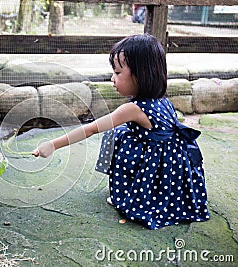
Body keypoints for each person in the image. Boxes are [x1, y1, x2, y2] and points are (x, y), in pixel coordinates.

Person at [32, 34, 210, 230]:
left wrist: (53, 144)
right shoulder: (161, 99)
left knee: (119, 134)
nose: (112, 78)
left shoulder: (133, 109)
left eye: (117, 72)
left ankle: (132, 197)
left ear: (141, 74)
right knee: (122, 132)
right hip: (174, 165)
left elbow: (91, 128)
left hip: (159, 165)